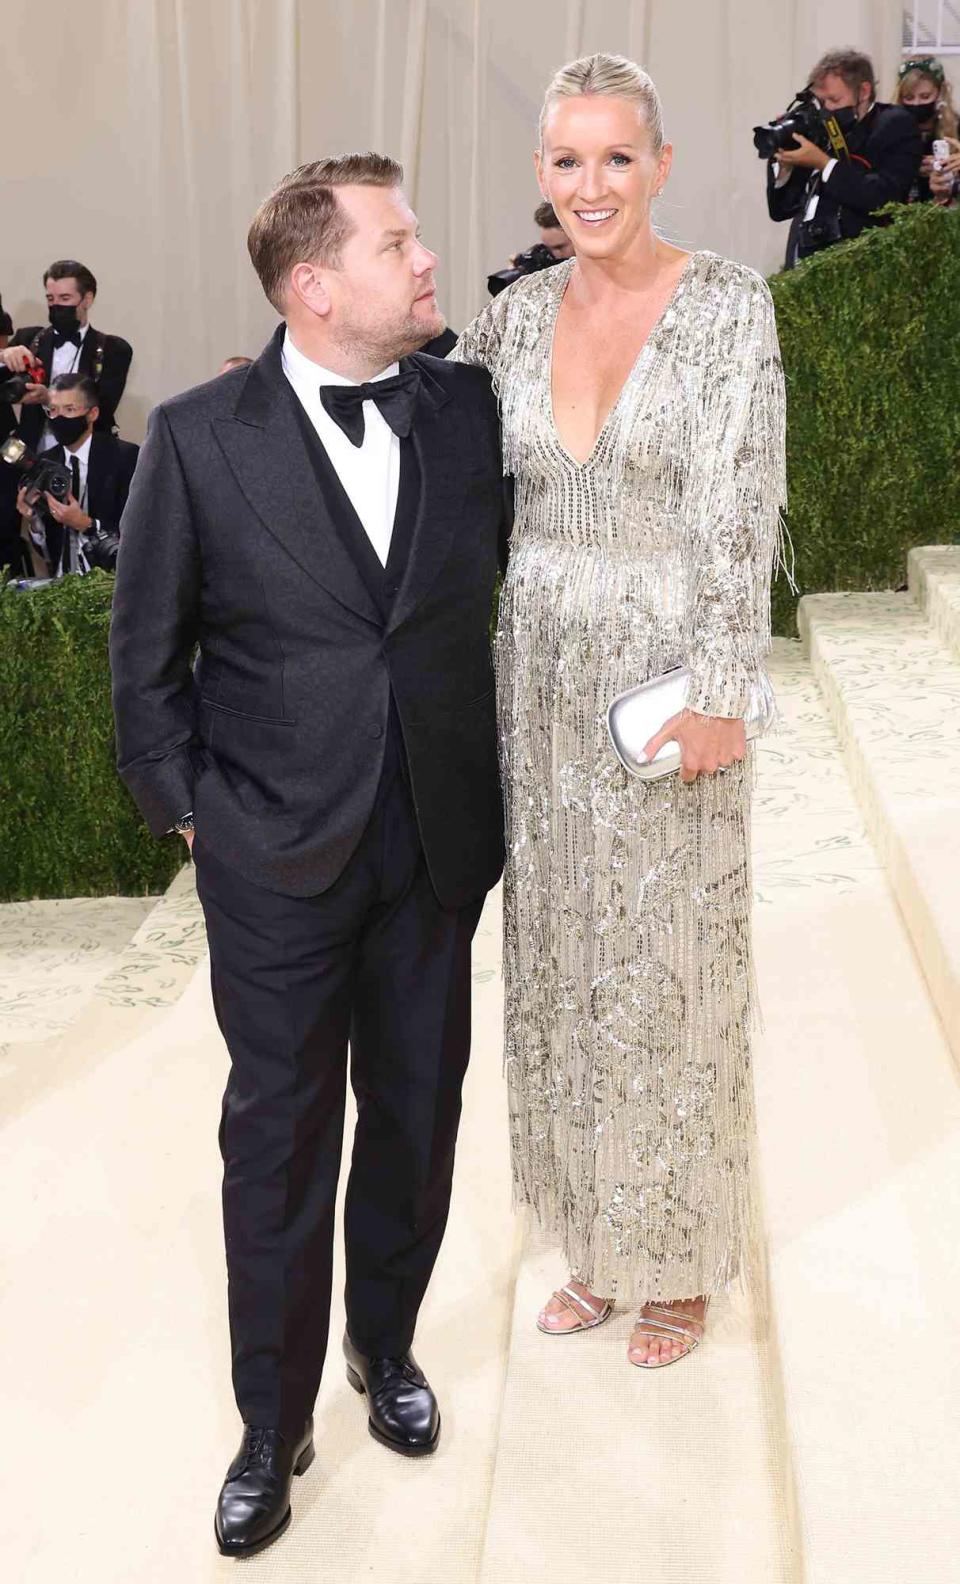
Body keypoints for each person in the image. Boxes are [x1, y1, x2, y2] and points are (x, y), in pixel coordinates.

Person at [109, 153, 508, 1559]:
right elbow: (144, 653)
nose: (427, 260)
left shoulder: (462, 407)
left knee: (416, 1119)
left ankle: (383, 1349)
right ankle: (268, 1429)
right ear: (313, 284)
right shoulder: (201, 434)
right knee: (278, 1147)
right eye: (399, 242)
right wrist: (192, 816)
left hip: (435, 841)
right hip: (272, 856)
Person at [451, 52, 785, 1368]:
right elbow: (459, 498)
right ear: (543, 175)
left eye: (616, 158)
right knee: (564, 969)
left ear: (657, 165)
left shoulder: (725, 308)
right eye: (567, 161)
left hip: (665, 691)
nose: (592, 185)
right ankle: (593, 1238)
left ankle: (685, 1256)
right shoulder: (514, 320)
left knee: (675, 971)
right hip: (532, 690)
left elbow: (739, 507)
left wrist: (717, 690)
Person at [767, 48, 921, 267]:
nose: (827, 109)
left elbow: (883, 199)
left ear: (864, 91)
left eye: (835, 99)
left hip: (858, 273)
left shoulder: (893, 124)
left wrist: (824, 164)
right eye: (822, 101)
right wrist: (785, 167)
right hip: (800, 270)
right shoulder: (819, 130)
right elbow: (781, 209)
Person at [13, 373, 137, 577]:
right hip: (62, 584)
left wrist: (85, 524)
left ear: (92, 414)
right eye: (53, 410)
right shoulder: (45, 462)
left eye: (69, 410)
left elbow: (139, 530)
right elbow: (45, 550)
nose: (59, 417)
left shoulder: (125, 457)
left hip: (110, 581)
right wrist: (33, 520)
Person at [0, 260, 133, 448]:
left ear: (87, 299)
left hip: (87, 453)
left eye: (64, 299)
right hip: (31, 453)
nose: (56, 306)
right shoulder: (29, 339)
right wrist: (3, 355)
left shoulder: (114, 349)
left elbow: (102, 408)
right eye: (50, 299)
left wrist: (49, 399)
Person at [893, 55, 959, 204]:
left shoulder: (956, 128)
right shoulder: (889, 130)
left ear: (940, 92)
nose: (917, 104)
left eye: (925, 96)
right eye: (909, 97)